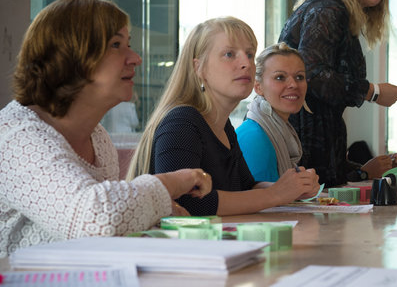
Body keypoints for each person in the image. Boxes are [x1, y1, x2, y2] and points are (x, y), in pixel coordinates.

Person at [0, 0, 212, 257]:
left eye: (129, 45)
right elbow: (93, 218)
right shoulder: (16, 135)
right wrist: (170, 182)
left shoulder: (98, 139)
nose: (135, 58)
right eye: (116, 45)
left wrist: (155, 212)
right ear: (70, 56)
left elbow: (103, 234)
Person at [128, 17, 320, 216]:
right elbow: (188, 203)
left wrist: (293, 188)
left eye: (249, 54)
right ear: (198, 67)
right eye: (229, 54)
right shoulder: (181, 122)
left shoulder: (223, 126)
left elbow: (246, 187)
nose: (246, 63)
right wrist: (276, 194)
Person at [278, 0, 397, 187]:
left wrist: (363, 171)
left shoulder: (333, 10)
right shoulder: (329, 10)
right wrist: (374, 92)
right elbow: (312, 75)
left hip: (318, 153)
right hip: (304, 151)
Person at [235, 43, 308, 182]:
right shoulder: (254, 137)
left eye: (299, 77)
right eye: (280, 77)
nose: (293, 84)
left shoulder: (280, 130)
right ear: (258, 87)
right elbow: (262, 200)